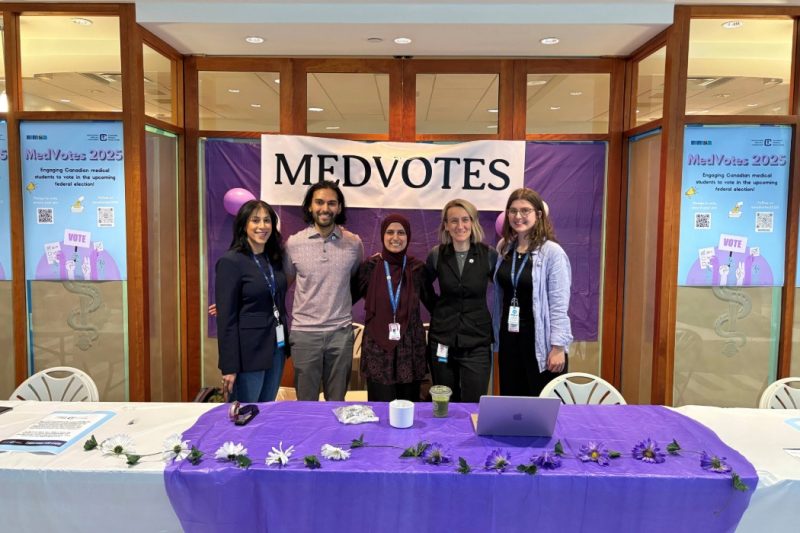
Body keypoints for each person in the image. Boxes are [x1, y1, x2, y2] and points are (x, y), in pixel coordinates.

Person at [284, 180, 364, 401]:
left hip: (340, 334)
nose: (325, 208)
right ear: (310, 206)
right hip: (304, 334)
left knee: (336, 403)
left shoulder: (354, 244)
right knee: (306, 404)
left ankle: (333, 438)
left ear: (339, 207)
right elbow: (282, 285)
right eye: (319, 202)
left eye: (331, 203)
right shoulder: (293, 243)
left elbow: (356, 282)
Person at [493, 187, 572, 397]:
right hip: (510, 339)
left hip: (540, 343)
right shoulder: (504, 247)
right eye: (513, 210)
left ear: (538, 215)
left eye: (525, 210)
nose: (518, 216)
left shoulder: (552, 253)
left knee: (540, 408)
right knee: (512, 404)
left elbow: (558, 305)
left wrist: (558, 347)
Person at [215, 200, 289, 403]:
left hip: (276, 348)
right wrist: (229, 367)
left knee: (266, 411)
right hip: (248, 354)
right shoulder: (231, 262)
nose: (262, 226)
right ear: (243, 225)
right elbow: (227, 320)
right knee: (245, 415)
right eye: (255, 220)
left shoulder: (273, 258)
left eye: (267, 220)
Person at [425, 199, 497, 403]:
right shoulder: (437, 254)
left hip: (477, 342)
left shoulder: (489, 255)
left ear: (473, 222)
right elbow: (423, 287)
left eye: (465, 220)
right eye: (453, 221)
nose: (460, 226)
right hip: (443, 340)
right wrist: (439, 310)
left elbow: (502, 289)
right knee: (444, 403)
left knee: (474, 403)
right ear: (446, 225)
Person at [358, 214, 428, 402]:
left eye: (401, 232)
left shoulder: (417, 269)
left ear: (408, 237)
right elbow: (346, 297)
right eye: (389, 232)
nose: (395, 237)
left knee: (408, 408)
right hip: (378, 349)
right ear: (382, 235)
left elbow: (435, 304)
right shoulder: (370, 268)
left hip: (410, 348)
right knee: (380, 409)